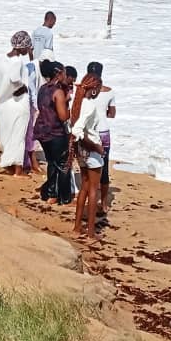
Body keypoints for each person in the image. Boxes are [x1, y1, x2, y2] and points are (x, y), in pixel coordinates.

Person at [0, 31, 33, 177]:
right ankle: (18, 170)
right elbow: (14, 79)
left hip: (7, 104)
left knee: (9, 134)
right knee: (19, 136)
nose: (28, 49)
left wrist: (5, 91)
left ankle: (10, 165)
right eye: (27, 46)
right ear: (22, 46)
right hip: (19, 103)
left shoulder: (1, 59)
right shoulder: (17, 62)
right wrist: (22, 87)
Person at [70, 72, 105, 239]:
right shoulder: (90, 105)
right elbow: (77, 129)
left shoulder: (78, 102)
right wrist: (96, 147)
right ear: (94, 89)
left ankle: (77, 226)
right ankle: (91, 231)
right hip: (91, 150)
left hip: (81, 151)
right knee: (93, 190)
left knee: (84, 187)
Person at [35, 60, 72, 204]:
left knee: (52, 162)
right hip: (55, 132)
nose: (65, 76)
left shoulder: (43, 88)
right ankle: (64, 197)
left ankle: (51, 194)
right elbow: (63, 116)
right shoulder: (58, 92)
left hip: (42, 130)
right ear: (58, 74)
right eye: (64, 73)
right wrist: (72, 110)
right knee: (63, 164)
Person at [87, 61, 117, 215]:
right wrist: (101, 112)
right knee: (104, 167)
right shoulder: (109, 92)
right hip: (103, 131)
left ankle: (87, 199)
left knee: (87, 166)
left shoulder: (83, 90)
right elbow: (112, 114)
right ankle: (104, 203)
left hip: (89, 131)